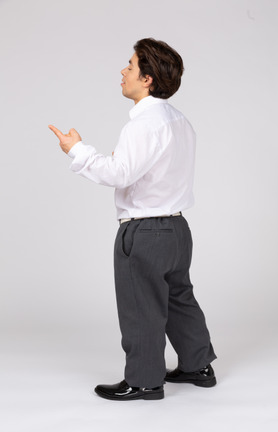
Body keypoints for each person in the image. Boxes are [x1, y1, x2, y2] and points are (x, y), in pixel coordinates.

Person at [48, 38, 217, 401]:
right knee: (178, 298)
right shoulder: (180, 121)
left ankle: (144, 380)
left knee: (141, 306)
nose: (123, 71)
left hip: (145, 232)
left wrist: (76, 149)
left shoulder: (144, 124)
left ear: (148, 79)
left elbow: (120, 173)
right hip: (177, 228)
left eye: (130, 65)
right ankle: (198, 365)